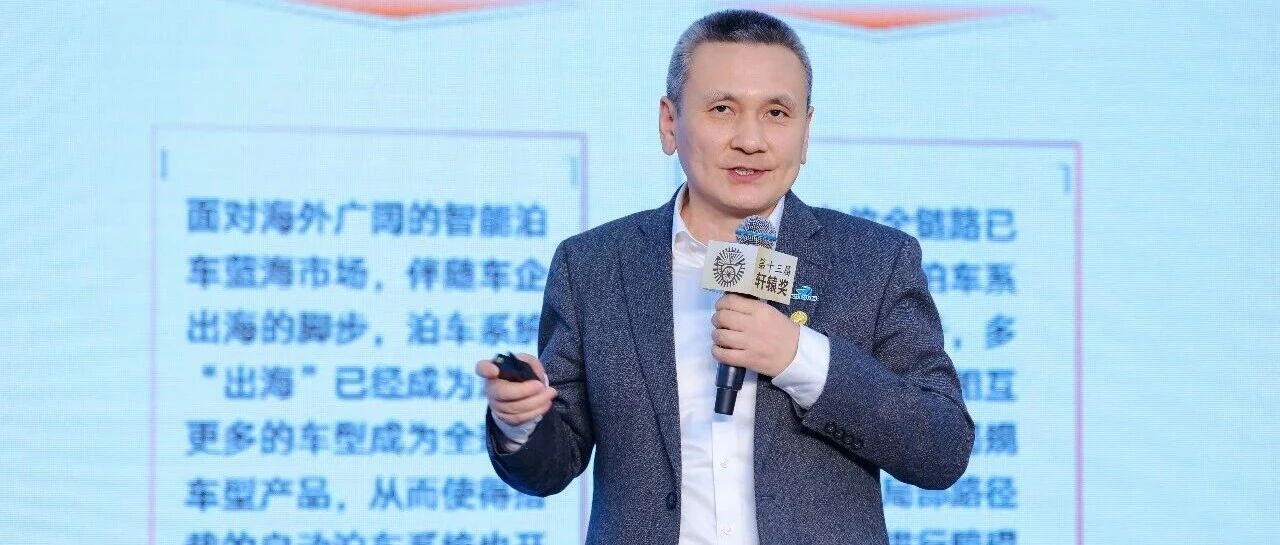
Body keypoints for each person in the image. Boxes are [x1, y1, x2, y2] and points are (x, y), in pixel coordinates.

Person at [474, 9, 973, 545]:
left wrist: (798, 356)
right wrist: (520, 422)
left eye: (777, 113)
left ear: (806, 131)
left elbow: (942, 447)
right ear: (670, 123)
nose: (751, 140)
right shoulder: (595, 265)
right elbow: (553, 463)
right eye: (722, 109)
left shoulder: (874, 260)